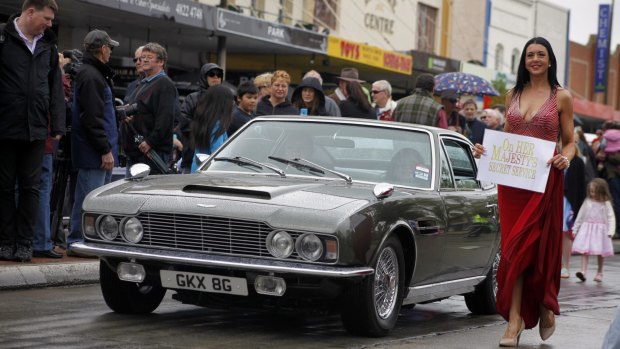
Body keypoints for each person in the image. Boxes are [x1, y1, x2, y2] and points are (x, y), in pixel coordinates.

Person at [472, 37, 576, 346]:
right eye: (530, 54)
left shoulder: (562, 97)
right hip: (512, 185)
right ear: (524, 61)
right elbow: (507, 139)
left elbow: (570, 140)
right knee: (514, 249)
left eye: (541, 54)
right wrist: (485, 151)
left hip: (544, 181)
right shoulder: (512, 94)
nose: (535, 59)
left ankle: (544, 304)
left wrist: (565, 157)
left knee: (538, 248)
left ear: (550, 60)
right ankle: (514, 321)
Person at [0, 0, 66, 262]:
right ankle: (5, 241)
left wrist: (58, 124)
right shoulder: (4, 38)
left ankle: (25, 242)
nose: (50, 24)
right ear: (30, 12)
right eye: (46, 18)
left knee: (31, 188)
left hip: (36, 130)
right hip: (4, 128)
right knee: (3, 187)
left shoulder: (48, 46)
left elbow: (55, 89)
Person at [67, 30, 119, 254]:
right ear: (102, 48)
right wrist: (104, 149)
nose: (111, 52)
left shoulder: (92, 73)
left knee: (94, 200)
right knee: (89, 200)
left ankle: (87, 240)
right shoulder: (91, 75)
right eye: (110, 47)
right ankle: (78, 240)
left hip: (97, 150)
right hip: (94, 152)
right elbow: (91, 118)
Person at [122, 42, 178, 175]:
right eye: (143, 57)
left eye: (149, 57)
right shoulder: (144, 83)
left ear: (161, 62)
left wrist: (150, 141)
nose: (144, 60)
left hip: (151, 153)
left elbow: (165, 119)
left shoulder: (164, 84)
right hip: (137, 151)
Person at [178, 63, 223, 173]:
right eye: (211, 74)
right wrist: (205, 130)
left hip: (221, 160)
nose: (216, 77)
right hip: (193, 156)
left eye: (219, 75)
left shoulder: (227, 99)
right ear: (204, 77)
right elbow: (183, 122)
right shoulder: (192, 99)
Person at [571, 178, 615, 282]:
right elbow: (580, 216)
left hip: (600, 231)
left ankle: (600, 272)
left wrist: (610, 231)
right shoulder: (587, 201)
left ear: (601, 191)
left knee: (601, 252)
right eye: (591, 191)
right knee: (585, 251)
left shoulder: (606, 203)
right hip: (587, 229)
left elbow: (611, 217)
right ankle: (583, 271)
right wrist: (575, 229)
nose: (592, 193)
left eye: (594, 191)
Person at [190, 85, 234, 172]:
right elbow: (218, 156)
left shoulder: (203, 121)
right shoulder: (217, 125)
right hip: (210, 174)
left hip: (196, 169)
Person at [561, 147, 586, 278]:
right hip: (555, 199)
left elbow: (581, 186)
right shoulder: (555, 158)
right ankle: (556, 265)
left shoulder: (578, 162)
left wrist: (577, 207)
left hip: (568, 201)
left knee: (565, 233)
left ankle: (565, 266)